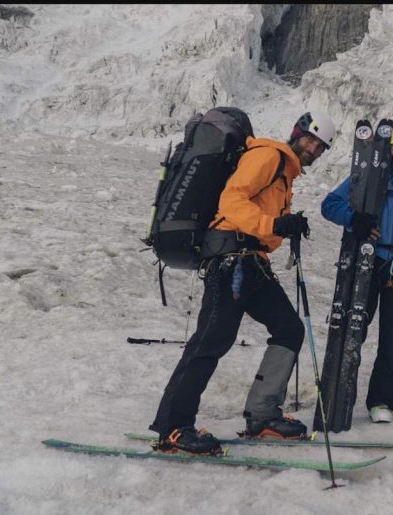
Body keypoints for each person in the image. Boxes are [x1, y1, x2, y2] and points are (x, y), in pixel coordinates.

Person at [149, 111, 337, 454]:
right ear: (296, 133)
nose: (312, 148)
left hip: (252, 262)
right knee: (211, 341)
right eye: (310, 138)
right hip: (230, 259)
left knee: (289, 330)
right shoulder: (269, 156)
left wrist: (284, 225)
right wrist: (275, 225)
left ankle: (262, 416)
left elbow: (261, 218)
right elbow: (232, 202)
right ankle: (172, 428)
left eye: (320, 146)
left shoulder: (286, 173)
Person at [320, 120, 393, 424]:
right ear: (392, 148)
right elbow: (329, 204)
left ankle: (381, 401)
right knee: (353, 329)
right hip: (365, 264)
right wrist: (354, 219)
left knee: (391, 335)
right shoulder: (370, 175)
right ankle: (339, 394)